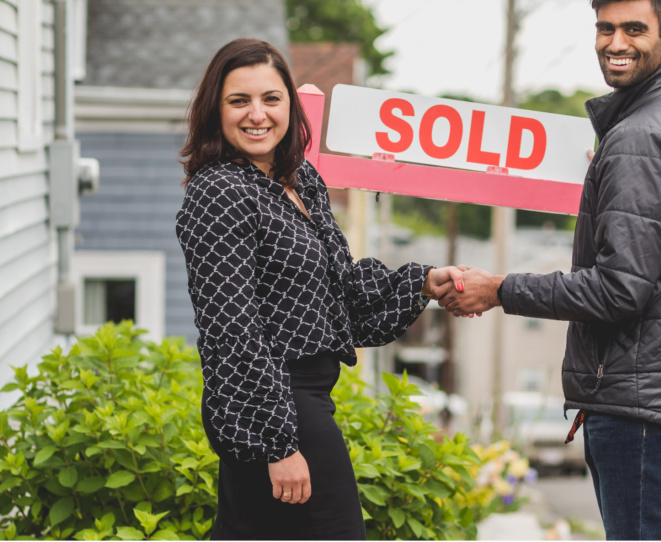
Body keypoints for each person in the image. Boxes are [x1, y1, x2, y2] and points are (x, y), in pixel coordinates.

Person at [440, 0, 661, 539]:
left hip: (638, 402)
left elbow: (619, 290)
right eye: (605, 29)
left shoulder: (640, 138)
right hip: (652, 397)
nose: (616, 43)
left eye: (634, 28)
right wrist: (626, 187)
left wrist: (500, 289)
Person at [175, 38, 467, 540]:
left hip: (306, 395)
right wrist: (278, 443)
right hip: (277, 403)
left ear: (290, 103)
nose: (257, 115)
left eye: (271, 98)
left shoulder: (301, 180)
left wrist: (420, 282)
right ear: (214, 112)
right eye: (238, 101)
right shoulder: (219, 192)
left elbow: (343, 293)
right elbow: (233, 331)